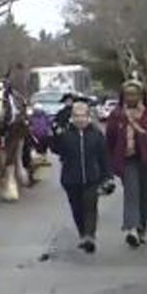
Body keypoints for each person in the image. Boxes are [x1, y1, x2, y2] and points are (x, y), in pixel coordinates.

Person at [105, 79, 147, 248]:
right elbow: (109, 139)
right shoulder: (117, 115)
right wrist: (109, 162)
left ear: (141, 96)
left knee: (144, 195)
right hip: (127, 160)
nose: (131, 98)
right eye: (128, 95)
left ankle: (142, 227)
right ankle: (131, 228)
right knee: (131, 192)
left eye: (134, 94)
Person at [51, 102, 112, 253]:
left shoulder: (96, 135)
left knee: (90, 205)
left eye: (83, 116)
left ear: (88, 117)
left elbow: (104, 157)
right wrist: (54, 136)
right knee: (77, 208)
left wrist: (107, 176)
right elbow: (56, 150)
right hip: (71, 179)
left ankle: (90, 236)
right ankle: (83, 234)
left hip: (92, 178)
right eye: (77, 116)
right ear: (72, 118)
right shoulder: (66, 134)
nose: (80, 120)